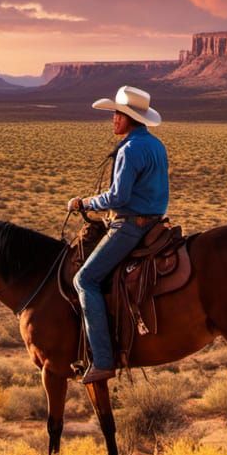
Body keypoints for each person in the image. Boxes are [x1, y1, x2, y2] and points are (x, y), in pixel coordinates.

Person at [67, 85, 169, 383]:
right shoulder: (156, 145)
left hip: (129, 226)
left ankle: (102, 360)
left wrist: (85, 202)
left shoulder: (129, 149)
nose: (113, 119)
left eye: (117, 114)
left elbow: (118, 197)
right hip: (155, 222)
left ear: (129, 118)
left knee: (84, 280)